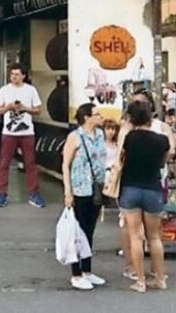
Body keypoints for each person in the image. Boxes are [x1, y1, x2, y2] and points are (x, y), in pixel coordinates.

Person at [117, 98, 170, 293]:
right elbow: (163, 161)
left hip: (131, 188)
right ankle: (160, 278)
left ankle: (140, 281)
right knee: (154, 237)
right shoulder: (162, 140)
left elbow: (121, 157)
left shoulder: (130, 138)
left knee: (135, 236)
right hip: (153, 188)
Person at [62, 103, 108, 291]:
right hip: (80, 189)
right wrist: (68, 191)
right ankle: (76, 273)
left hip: (96, 188)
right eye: (96, 114)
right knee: (78, 231)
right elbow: (65, 164)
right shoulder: (75, 137)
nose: (100, 117)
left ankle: (88, 270)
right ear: (86, 117)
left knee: (89, 230)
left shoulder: (99, 135)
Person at [0, 64, 45, 208]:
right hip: (9, 133)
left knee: (30, 164)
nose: (14, 77)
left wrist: (24, 108)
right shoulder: (4, 90)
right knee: (4, 163)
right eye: (12, 74)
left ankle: (34, 194)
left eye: (17, 74)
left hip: (27, 132)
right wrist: (8, 107)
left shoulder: (31, 90)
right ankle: (1, 193)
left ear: (23, 76)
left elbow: (38, 110)